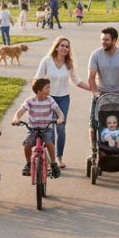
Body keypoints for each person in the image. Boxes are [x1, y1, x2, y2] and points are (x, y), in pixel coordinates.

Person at [34, 37, 91, 169]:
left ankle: (59, 158)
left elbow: (77, 81)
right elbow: (38, 78)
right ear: (56, 47)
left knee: (60, 127)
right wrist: (38, 97)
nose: (65, 48)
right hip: (48, 98)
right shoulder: (47, 61)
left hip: (63, 99)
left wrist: (92, 88)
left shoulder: (68, 63)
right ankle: (51, 159)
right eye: (62, 46)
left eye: (67, 47)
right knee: (50, 128)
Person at [88, 27, 119, 146]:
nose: (103, 42)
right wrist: (95, 92)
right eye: (102, 40)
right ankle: (94, 149)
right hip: (101, 95)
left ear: (114, 40)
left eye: (107, 40)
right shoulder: (96, 55)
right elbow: (91, 77)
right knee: (93, 123)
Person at [12, 78, 65, 178]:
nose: (49, 89)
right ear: (39, 90)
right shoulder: (30, 101)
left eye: (49, 87)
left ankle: (53, 163)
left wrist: (60, 119)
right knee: (27, 145)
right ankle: (28, 163)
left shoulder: (50, 100)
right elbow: (20, 112)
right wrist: (16, 118)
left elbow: (59, 112)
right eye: (47, 87)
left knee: (49, 142)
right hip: (33, 129)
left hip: (46, 128)